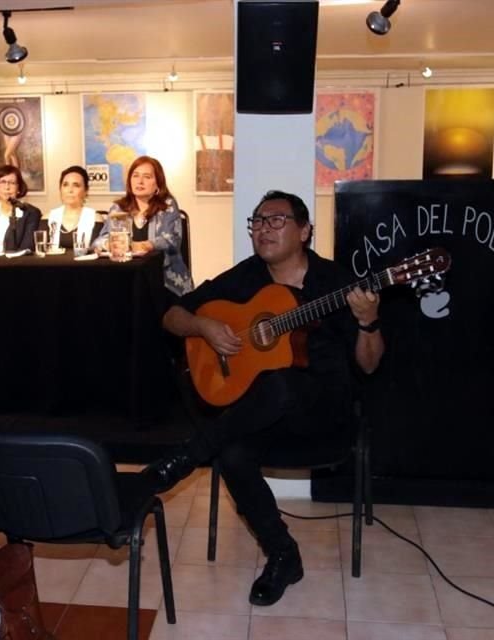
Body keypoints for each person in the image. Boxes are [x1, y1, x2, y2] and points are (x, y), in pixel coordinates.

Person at [143, 190, 384, 607]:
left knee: (282, 381)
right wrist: (203, 326)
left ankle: (186, 456)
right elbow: (171, 315)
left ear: (304, 231)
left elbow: (369, 365)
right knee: (233, 453)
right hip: (261, 418)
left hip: (324, 415)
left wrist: (368, 322)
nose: (263, 230)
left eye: (276, 221)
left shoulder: (337, 283)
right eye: (258, 221)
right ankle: (283, 554)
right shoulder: (247, 276)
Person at [93, 156, 192, 296]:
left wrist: (147, 245)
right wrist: (109, 244)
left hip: (165, 281)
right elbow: (98, 241)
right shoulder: (119, 208)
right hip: (127, 280)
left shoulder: (167, 205)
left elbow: (171, 240)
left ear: (158, 183)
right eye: (135, 176)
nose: (140, 181)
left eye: (147, 177)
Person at [0, 164, 41, 253]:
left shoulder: (31, 213)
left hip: (19, 265)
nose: (7, 187)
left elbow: (27, 248)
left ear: (18, 189)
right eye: (2, 182)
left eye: (12, 183)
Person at [41, 165, 99, 250]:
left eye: (76, 185)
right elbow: (41, 253)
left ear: (86, 191)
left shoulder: (95, 218)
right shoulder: (48, 218)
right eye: (65, 185)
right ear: (60, 189)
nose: (70, 190)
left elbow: (96, 252)